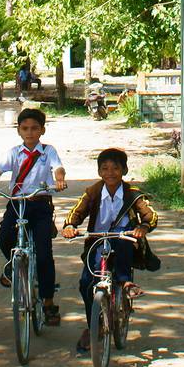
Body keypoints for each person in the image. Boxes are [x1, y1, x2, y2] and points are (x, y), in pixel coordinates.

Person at [0, 107, 67, 325]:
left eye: (34, 128)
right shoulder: (14, 153)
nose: (30, 132)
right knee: (4, 237)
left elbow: (58, 168)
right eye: (25, 128)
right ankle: (13, 267)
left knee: (44, 254)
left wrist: (59, 180)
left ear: (42, 130)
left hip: (40, 204)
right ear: (19, 131)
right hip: (16, 204)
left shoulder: (48, 151)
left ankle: (48, 302)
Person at [61, 147, 158, 355]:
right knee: (86, 284)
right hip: (97, 242)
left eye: (115, 168)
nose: (110, 172)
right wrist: (70, 226)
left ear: (124, 170)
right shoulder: (93, 192)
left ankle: (124, 283)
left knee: (123, 237)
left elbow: (150, 215)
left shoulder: (133, 194)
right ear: (99, 172)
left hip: (123, 241)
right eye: (105, 168)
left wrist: (143, 227)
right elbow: (76, 213)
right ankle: (92, 327)